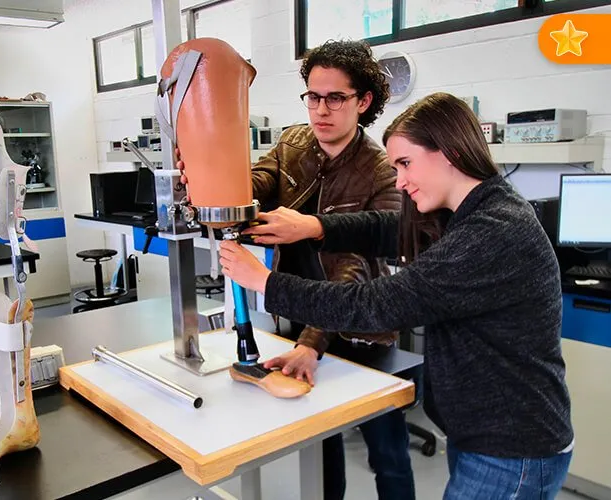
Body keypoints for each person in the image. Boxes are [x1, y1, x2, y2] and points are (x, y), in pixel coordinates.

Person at [217, 92, 574, 499]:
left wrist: (264, 282)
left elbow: (375, 305)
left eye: (405, 164)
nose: (400, 181)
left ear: (450, 152)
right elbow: (390, 226)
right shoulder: (471, 210)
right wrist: (315, 226)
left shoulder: (493, 232)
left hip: (512, 451)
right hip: (486, 435)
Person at [180, 39, 414, 500]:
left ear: (363, 101)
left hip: (360, 331)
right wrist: (218, 179)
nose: (320, 109)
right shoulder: (293, 142)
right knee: (319, 444)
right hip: (295, 319)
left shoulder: (382, 171)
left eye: (335, 98)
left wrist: (312, 343)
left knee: (387, 450)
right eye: (312, 95)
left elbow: (356, 271)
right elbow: (263, 180)